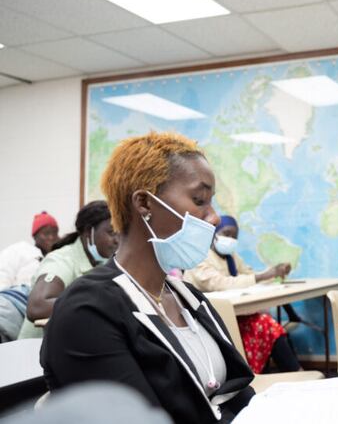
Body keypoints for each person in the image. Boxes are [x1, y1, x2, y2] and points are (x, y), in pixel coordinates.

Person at [41, 132, 255, 424]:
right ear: (144, 203)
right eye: (199, 199)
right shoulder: (87, 312)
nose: (214, 217)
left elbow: (237, 393)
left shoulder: (187, 297)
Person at [184, 215, 300, 373]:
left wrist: (274, 273)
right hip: (210, 319)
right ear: (214, 234)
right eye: (226, 233)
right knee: (266, 325)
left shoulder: (231, 257)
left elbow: (249, 275)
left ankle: (294, 373)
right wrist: (263, 276)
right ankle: (294, 372)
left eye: (235, 236)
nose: (230, 239)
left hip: (235, 314)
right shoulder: (199, 257)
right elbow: (220, 283)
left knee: (269, 326)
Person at [17, 201, 118, 339]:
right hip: (32, 352)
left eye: (120, 233)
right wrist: (99, 305)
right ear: (89, 231)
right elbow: (37, 306)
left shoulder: (103, 263)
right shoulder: (62, 260)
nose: (117, 240)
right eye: (112, 232)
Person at [0, 212, 59, 289]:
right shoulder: (20, 249)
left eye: (55, 233)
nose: (51, 237)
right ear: (35, 236)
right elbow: (3, 274)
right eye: (46, 233)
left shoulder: (58, 257)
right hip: (16, 297)